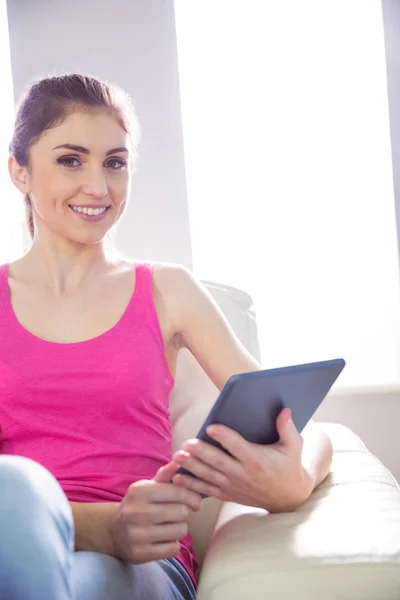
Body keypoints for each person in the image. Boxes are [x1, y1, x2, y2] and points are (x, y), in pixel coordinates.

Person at [0, 73, 333, 600]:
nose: (97, 186)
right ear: (19, 171)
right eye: (70, 160)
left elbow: (306, 427)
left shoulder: (168, 291)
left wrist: (296, 479)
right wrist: (102, 525)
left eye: (114, 162)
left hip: (141, 568)